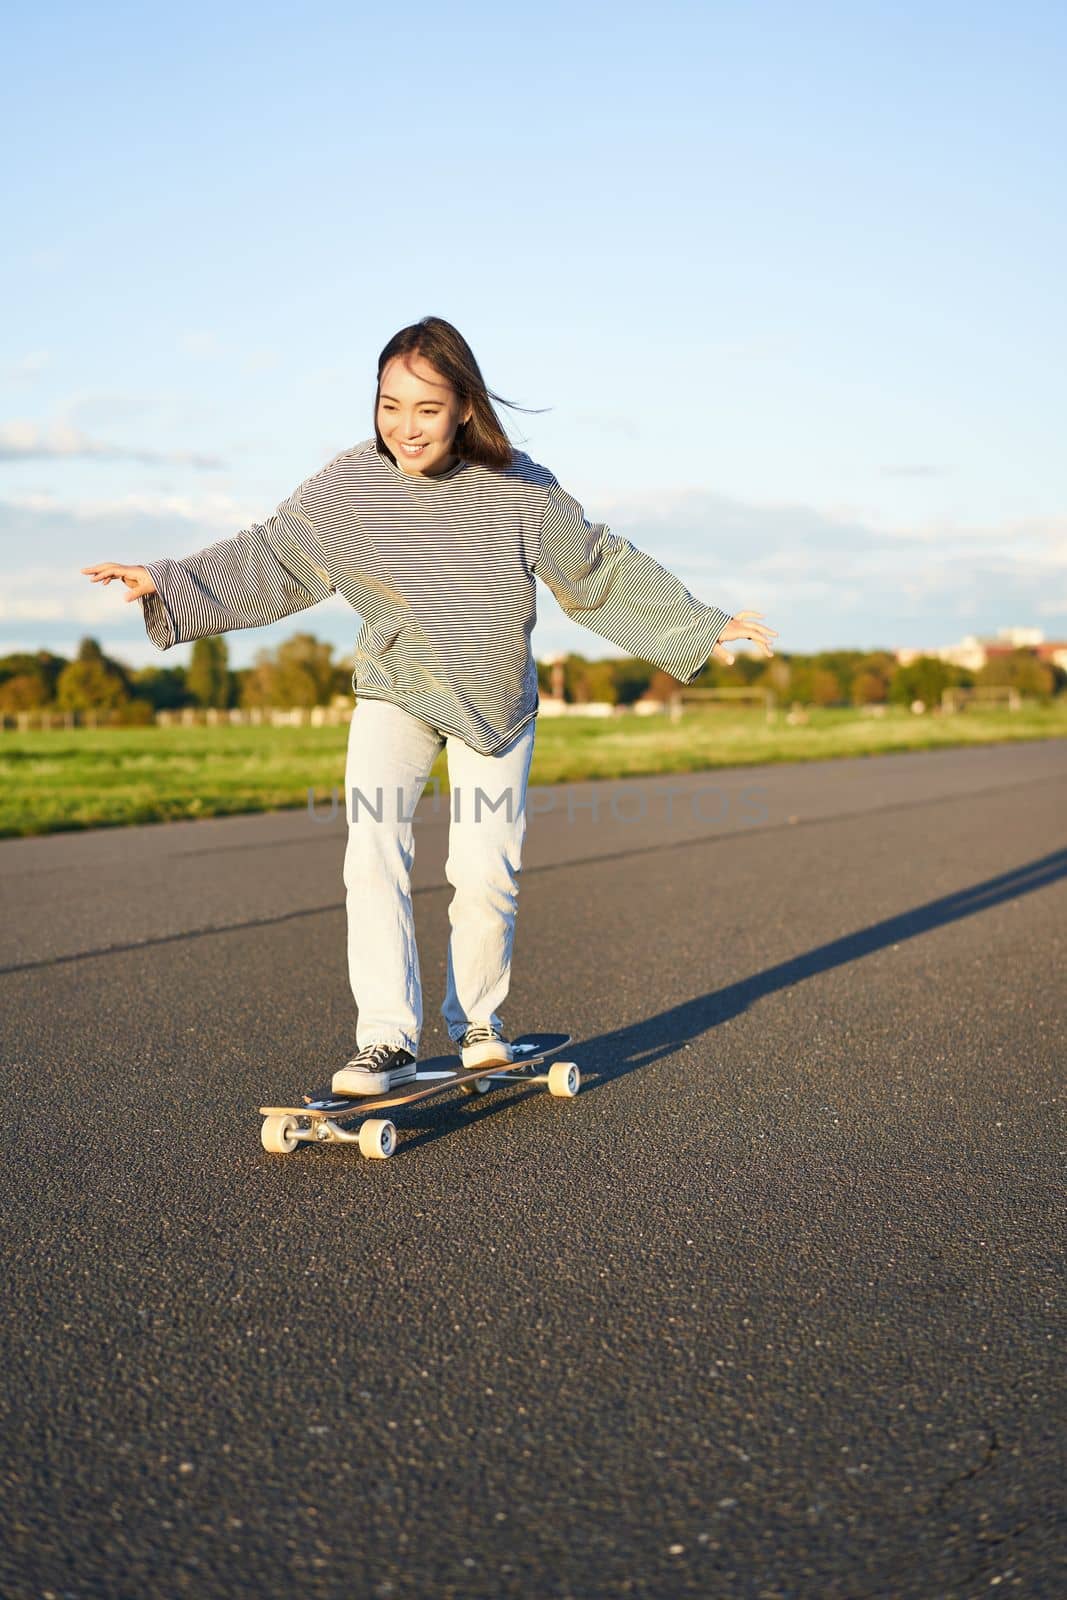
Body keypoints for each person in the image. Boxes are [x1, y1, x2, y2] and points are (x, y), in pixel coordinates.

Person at [82, 316, 777, 1095]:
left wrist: (699, 625)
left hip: (492, 698)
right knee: (371, 852)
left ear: (464, 409)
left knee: (484, 872)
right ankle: (385, 1040)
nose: (404, 429)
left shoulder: (520, 488)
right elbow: (272, 555)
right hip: (396, 688)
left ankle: (479, 1023)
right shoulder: (348, 486)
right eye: (388, 406)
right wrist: (165, 580)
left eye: (424, 409)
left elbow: (595, 569)